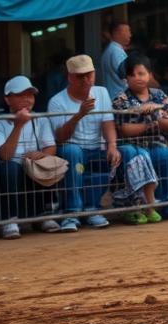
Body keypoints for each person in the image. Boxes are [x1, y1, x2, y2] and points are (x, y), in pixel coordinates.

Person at [48, 54, 137, 231]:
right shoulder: (57, 101)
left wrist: (112, 145)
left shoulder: (101, 92)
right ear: (70, 77)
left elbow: (107, 123)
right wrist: (79, 115)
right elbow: (60, 138)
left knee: (127, 151)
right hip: (73, 151)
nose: (86, 79)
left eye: (89, 74)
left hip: (97, 148)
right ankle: (72, 213)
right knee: (73, 152)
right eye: (80, 76)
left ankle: (99, 209)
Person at [113, 56, 168, 223]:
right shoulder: (121, 99)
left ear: (150, 75)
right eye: (133, 74)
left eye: (142, 73)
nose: (138, 78)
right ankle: (143, 205)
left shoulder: (159, 96)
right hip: (132, 147)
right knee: (138, 155)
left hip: (156, 146)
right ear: (127, 78)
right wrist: (144, 118)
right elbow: (124, 130)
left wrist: (154, 115)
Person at [0, 76, 60, 239]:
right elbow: (5, 156)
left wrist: (41, 155)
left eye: (30, 95)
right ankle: (10, 220)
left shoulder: (40, 119)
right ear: (8, 99)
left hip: (32, 170)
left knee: (47, 162)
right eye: (21, 95)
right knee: (10, 167)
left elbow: (50, 147)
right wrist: (18, 124)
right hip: (8, 174)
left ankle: (45, 214)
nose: (27, 99)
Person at [98, 19, 131, 98]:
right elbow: (127, 78)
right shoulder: (116, 51)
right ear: (116, 33)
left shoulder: (109, 49)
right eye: (127, 31)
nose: (130, 35)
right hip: (120, 99)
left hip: (111, 97)